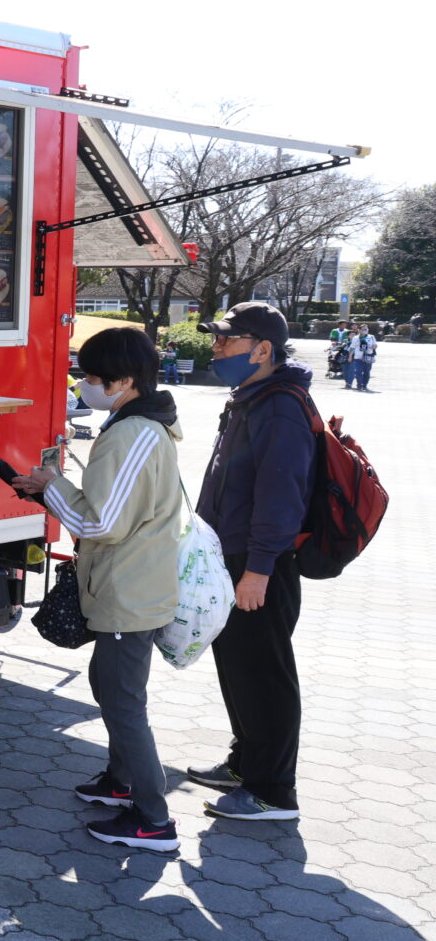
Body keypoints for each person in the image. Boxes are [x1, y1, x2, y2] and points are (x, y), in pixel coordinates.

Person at [13, 328, 183, 852]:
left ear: (124, 381)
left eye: (91, 376)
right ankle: (120, 782)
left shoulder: (132, 434)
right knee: (110, 689)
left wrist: (52, 486)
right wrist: (51, 491)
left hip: (129, 591)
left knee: (123, 703)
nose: (84, 385)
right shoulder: (139, 426)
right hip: (127, 585)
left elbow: (102, 523)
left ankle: (154, 819)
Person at [186, 302, 315, 822]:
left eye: (227, 339)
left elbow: (281, 497)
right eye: (216, 339)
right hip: (235, 556)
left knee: (265, 674)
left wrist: (258, 569)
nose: (216, 347)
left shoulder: (279, 406)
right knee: (239, 668)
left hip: (260, 564)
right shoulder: (251, 397)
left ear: (263, 349)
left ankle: (274, 791)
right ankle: (245, 765)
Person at [343, 324, 377, 391]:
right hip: (358, 357)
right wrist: (350, 357)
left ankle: (364, 385)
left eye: (366, 329)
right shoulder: (356, 338)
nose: (366, 330)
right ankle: (359, 385)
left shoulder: (371, 337)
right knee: (358, 371)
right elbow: (352, 348)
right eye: (364, 329)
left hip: (368, 357)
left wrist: (373, 347)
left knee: (367, 372)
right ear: (359, 330)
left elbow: (375, 345)